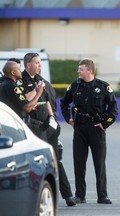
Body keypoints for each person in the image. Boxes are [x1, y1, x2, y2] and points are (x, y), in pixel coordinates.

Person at [21, 52, 76, 207]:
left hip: (48, 126)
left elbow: (46, 102)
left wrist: (52, 118)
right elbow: (26, 99)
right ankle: (39, 195)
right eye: (37, 63)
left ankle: (68, 195)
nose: (40, 66)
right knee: (39, 162)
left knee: (55, 160)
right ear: (28, 65)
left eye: (40, 62)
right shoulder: (21, 80)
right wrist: (37, 90)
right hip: (34, 127)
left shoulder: (40, 80)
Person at [60, 59, 118, 204]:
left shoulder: (103, 87)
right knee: (79, 163)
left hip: (96, 129)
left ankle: (102, 195)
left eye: (81, 69)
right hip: (79, 128)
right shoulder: (74, 86)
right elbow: (64, 103)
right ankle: (80, 195)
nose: (78, 71)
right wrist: (69, 119)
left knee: (99, 163)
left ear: (90, 71)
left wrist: (105, 124)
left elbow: (113, 109)